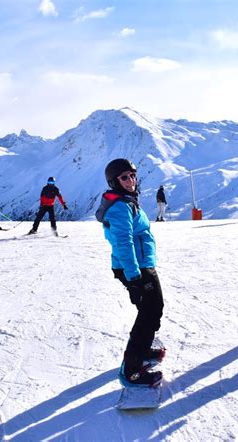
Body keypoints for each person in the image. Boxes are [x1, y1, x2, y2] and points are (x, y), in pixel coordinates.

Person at [96, 158, 165, 387]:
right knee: (149, 312)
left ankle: (143, 350)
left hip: (140, 264)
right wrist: (134, 278)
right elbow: (123, 242)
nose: (130, 180)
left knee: (152, 309)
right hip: (135, 267)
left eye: (132, 175)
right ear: (114, 181)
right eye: (124, 177)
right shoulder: (120, 207)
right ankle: (132, 370)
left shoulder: (128, 201)